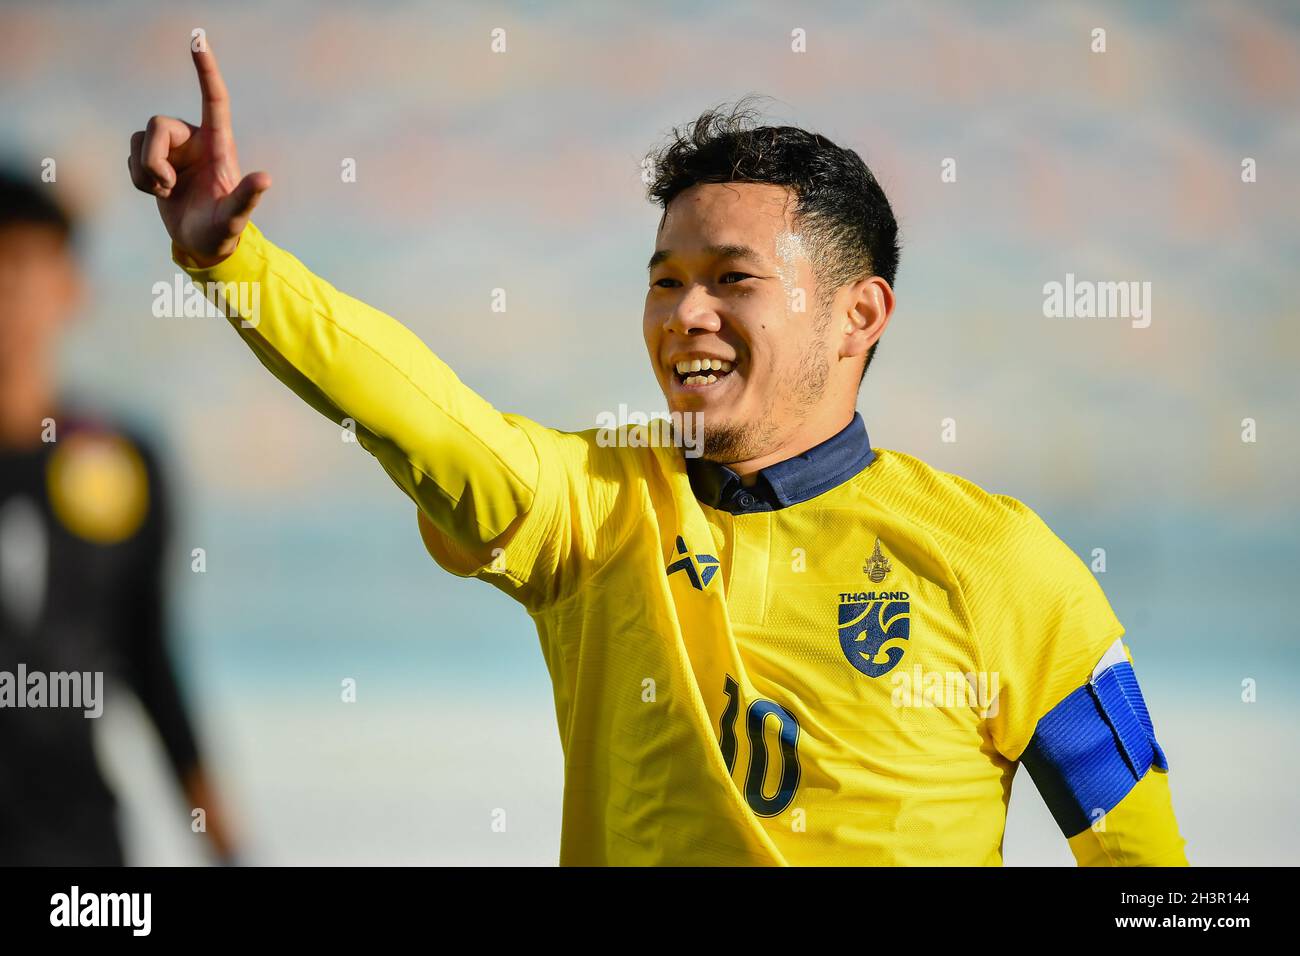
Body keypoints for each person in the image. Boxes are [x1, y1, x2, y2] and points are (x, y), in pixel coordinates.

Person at [126, 43, 1188, 865]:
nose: (685, 315)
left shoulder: (998, 562)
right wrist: (237, 264)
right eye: (663, 278)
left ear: (857, 313)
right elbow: (418, 415)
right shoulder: (591, 508)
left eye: (731, 278)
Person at [0, 170, 235, 865]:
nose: (5, 292)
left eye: (20, 265)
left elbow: (150, 658)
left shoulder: (119, 462)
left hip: (79, 851)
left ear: (71, 288)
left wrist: (226, 845)